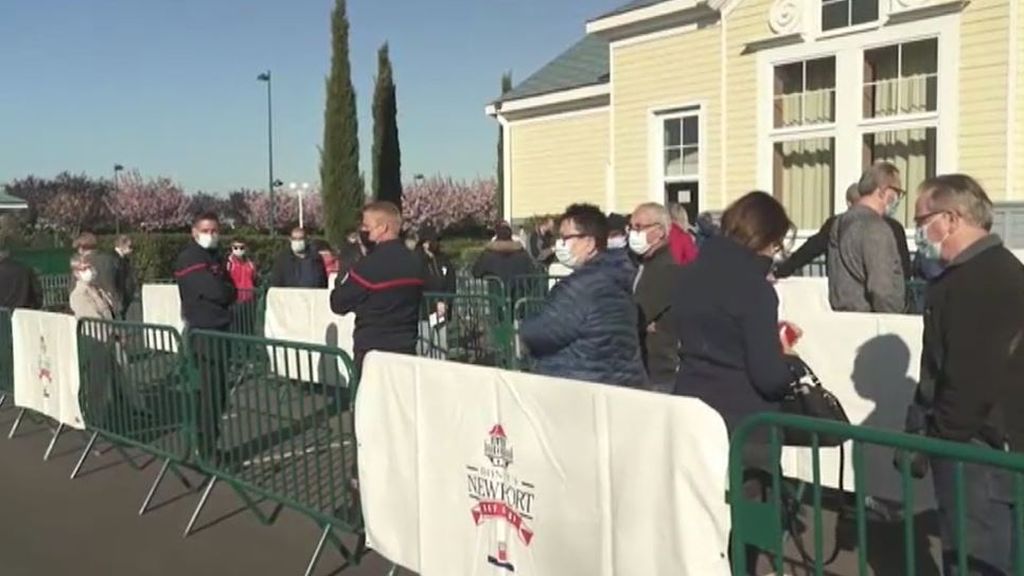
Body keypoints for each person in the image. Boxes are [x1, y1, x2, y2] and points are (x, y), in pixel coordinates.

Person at [910, 174, 1024, 575]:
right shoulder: (989, 272)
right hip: (987, 446)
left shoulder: (983, 280)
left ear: (952, 218)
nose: (918, 231)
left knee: (977, 559)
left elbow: (970, 378)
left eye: (922, 220)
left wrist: (940, 438)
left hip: (979, 452)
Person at [671, 191, 802, 436]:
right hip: (742, 423)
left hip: (690, 412)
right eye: (777, 245)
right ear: (767, 239)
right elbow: (769, 378)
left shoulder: (686, 276)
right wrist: (790, 362)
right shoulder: (755, 289)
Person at [519, 204, 646, 387]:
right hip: (618, 383)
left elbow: (542, 331)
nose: (560, 244)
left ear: (589, 243)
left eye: (566, 238)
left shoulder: (582, 286)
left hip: (580, 384)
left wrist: (524, 328)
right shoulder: (619, 274)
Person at [330, 201, 427, 371]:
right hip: (406, 349)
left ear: (382, 228)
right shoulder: (415, 261)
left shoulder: (369, 266)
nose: (363, 231)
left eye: (367, 226)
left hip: (372, 353)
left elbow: (338, 303)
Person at [174, 212, 237, 458]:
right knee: (210, 393)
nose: (211, 235)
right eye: (205, 230)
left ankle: (209, 443)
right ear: (194, 232)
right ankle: (207, 449)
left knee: (219, 392)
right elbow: (216, 291)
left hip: (220, 328)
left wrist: (226, 290)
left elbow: (229, 288)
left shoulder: (214, 256)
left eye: (214, 230)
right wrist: (224, 290)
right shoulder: (191, 258)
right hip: (204, 331)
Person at [775, 183, 911, 280]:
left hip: (845, 297)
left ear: (849, 203)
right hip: (884, 295)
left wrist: (781, 271)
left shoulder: (836, 224)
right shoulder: (892, 226)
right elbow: (904, 266)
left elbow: (809, 250)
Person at [827, 162, 907, 313]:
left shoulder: (839, 222)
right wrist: (894, 319)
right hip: (870, 320)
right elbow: (882, 288)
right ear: (883, 191)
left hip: (841, 316)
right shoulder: (876, 228)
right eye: (897, 192)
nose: (897, 199)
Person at [629, 203, 679, 393]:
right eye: (631, 227)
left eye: (639, 227)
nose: (633, 233)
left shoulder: (665, 270)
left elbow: (635, 316)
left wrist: (642, 322)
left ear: (659, 231)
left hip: (657, 373)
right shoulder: (640, 265)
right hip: (641, 368)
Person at [74, 232, 122, 317]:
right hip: (114, 305)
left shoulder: (81, 264)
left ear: (81, 248)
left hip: (94, 308)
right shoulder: (110, 259)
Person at [69, 254, 115, 320]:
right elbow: (93, 320)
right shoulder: (79, 294)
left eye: (90, 267)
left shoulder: (97, 289)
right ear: (76, 273)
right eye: (84, 269)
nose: (89, 271)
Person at [0, 238, 42, 310]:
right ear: (8, 252)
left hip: (2, 316)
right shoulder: (25, 269)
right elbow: (37, 296)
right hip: (23, 314)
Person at [112, 235, 137, 319]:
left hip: (124, 295)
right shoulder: (115, 259)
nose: (131, 249)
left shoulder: (123, 259)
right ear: (121, 246)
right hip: (120, 295)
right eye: (129, 246)